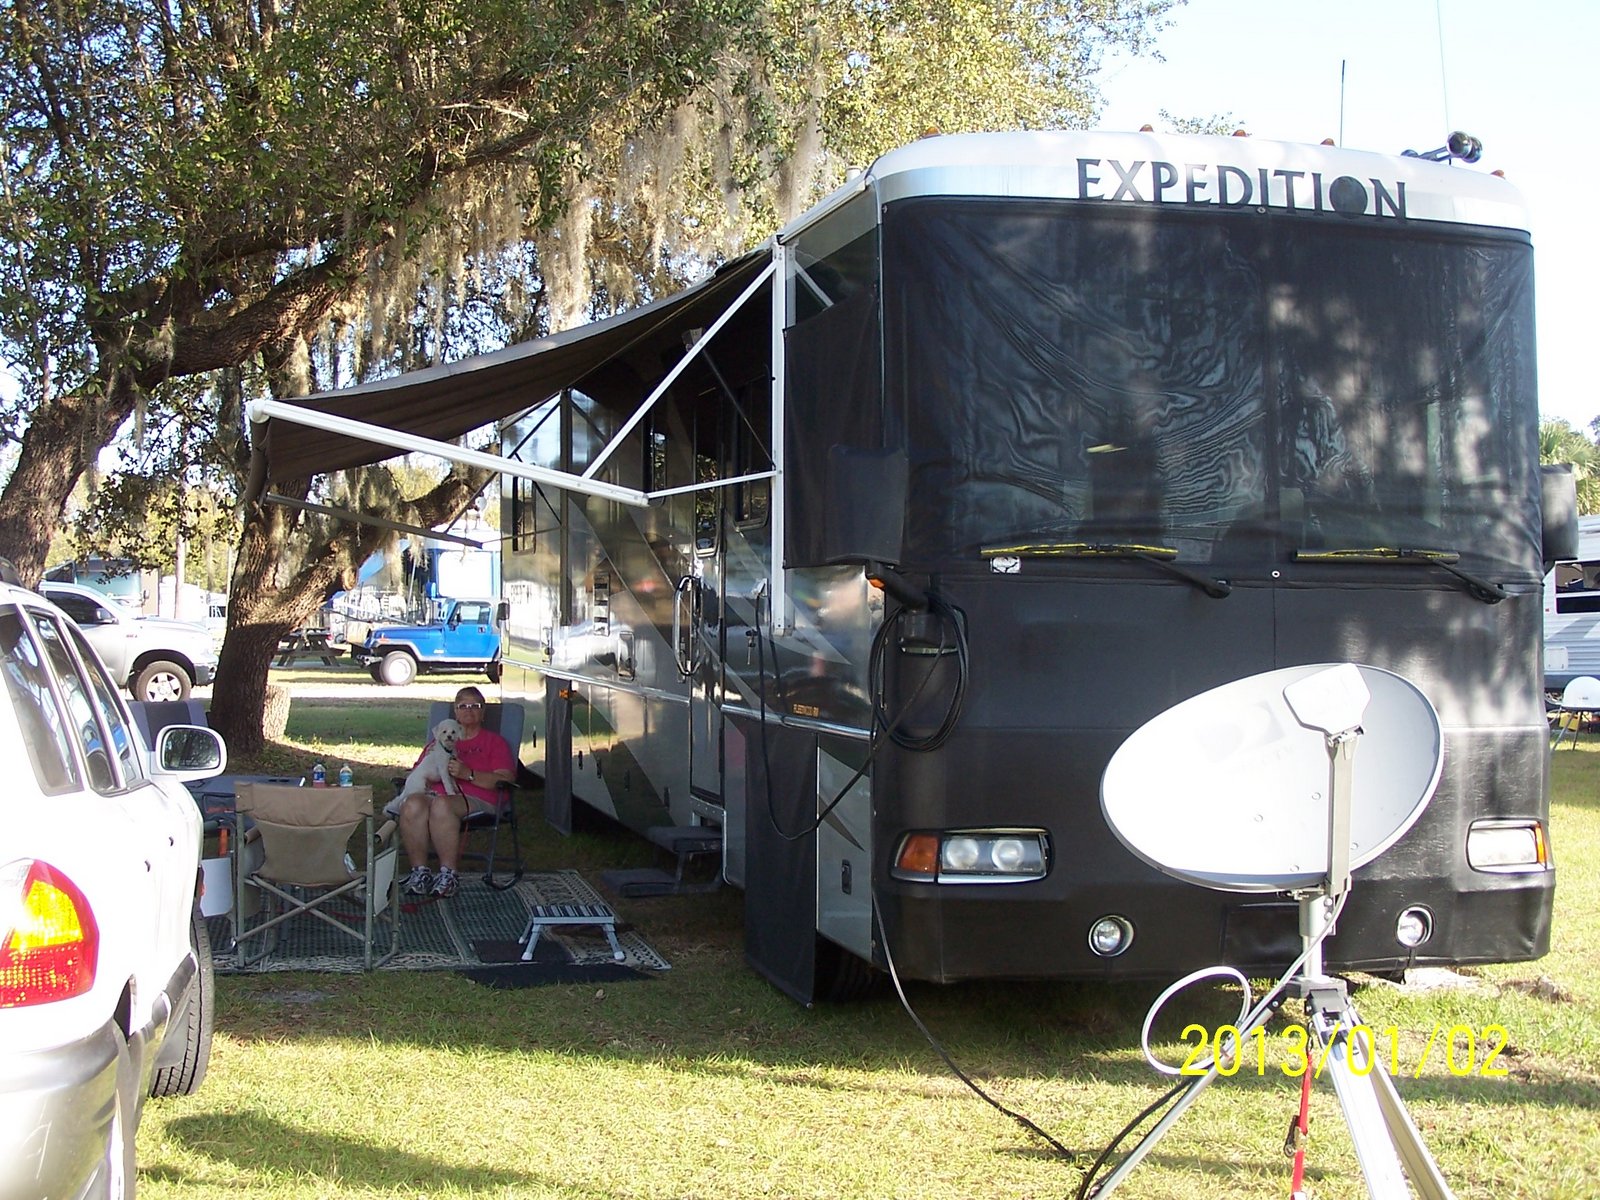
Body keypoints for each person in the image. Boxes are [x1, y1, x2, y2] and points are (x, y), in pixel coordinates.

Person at [398, 686, 516, 898]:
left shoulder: (494, 742)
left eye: (475, 706)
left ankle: (448, 875)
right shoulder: (440, 740)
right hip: (434, 796)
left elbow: (506, 779)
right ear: (455, 711)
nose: (468, 710)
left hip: (479, 798)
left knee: (442, 805)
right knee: (412, 804)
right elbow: (420, 771)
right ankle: (420, 873)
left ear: (483, 712)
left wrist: (468, 774)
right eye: (463, 706)